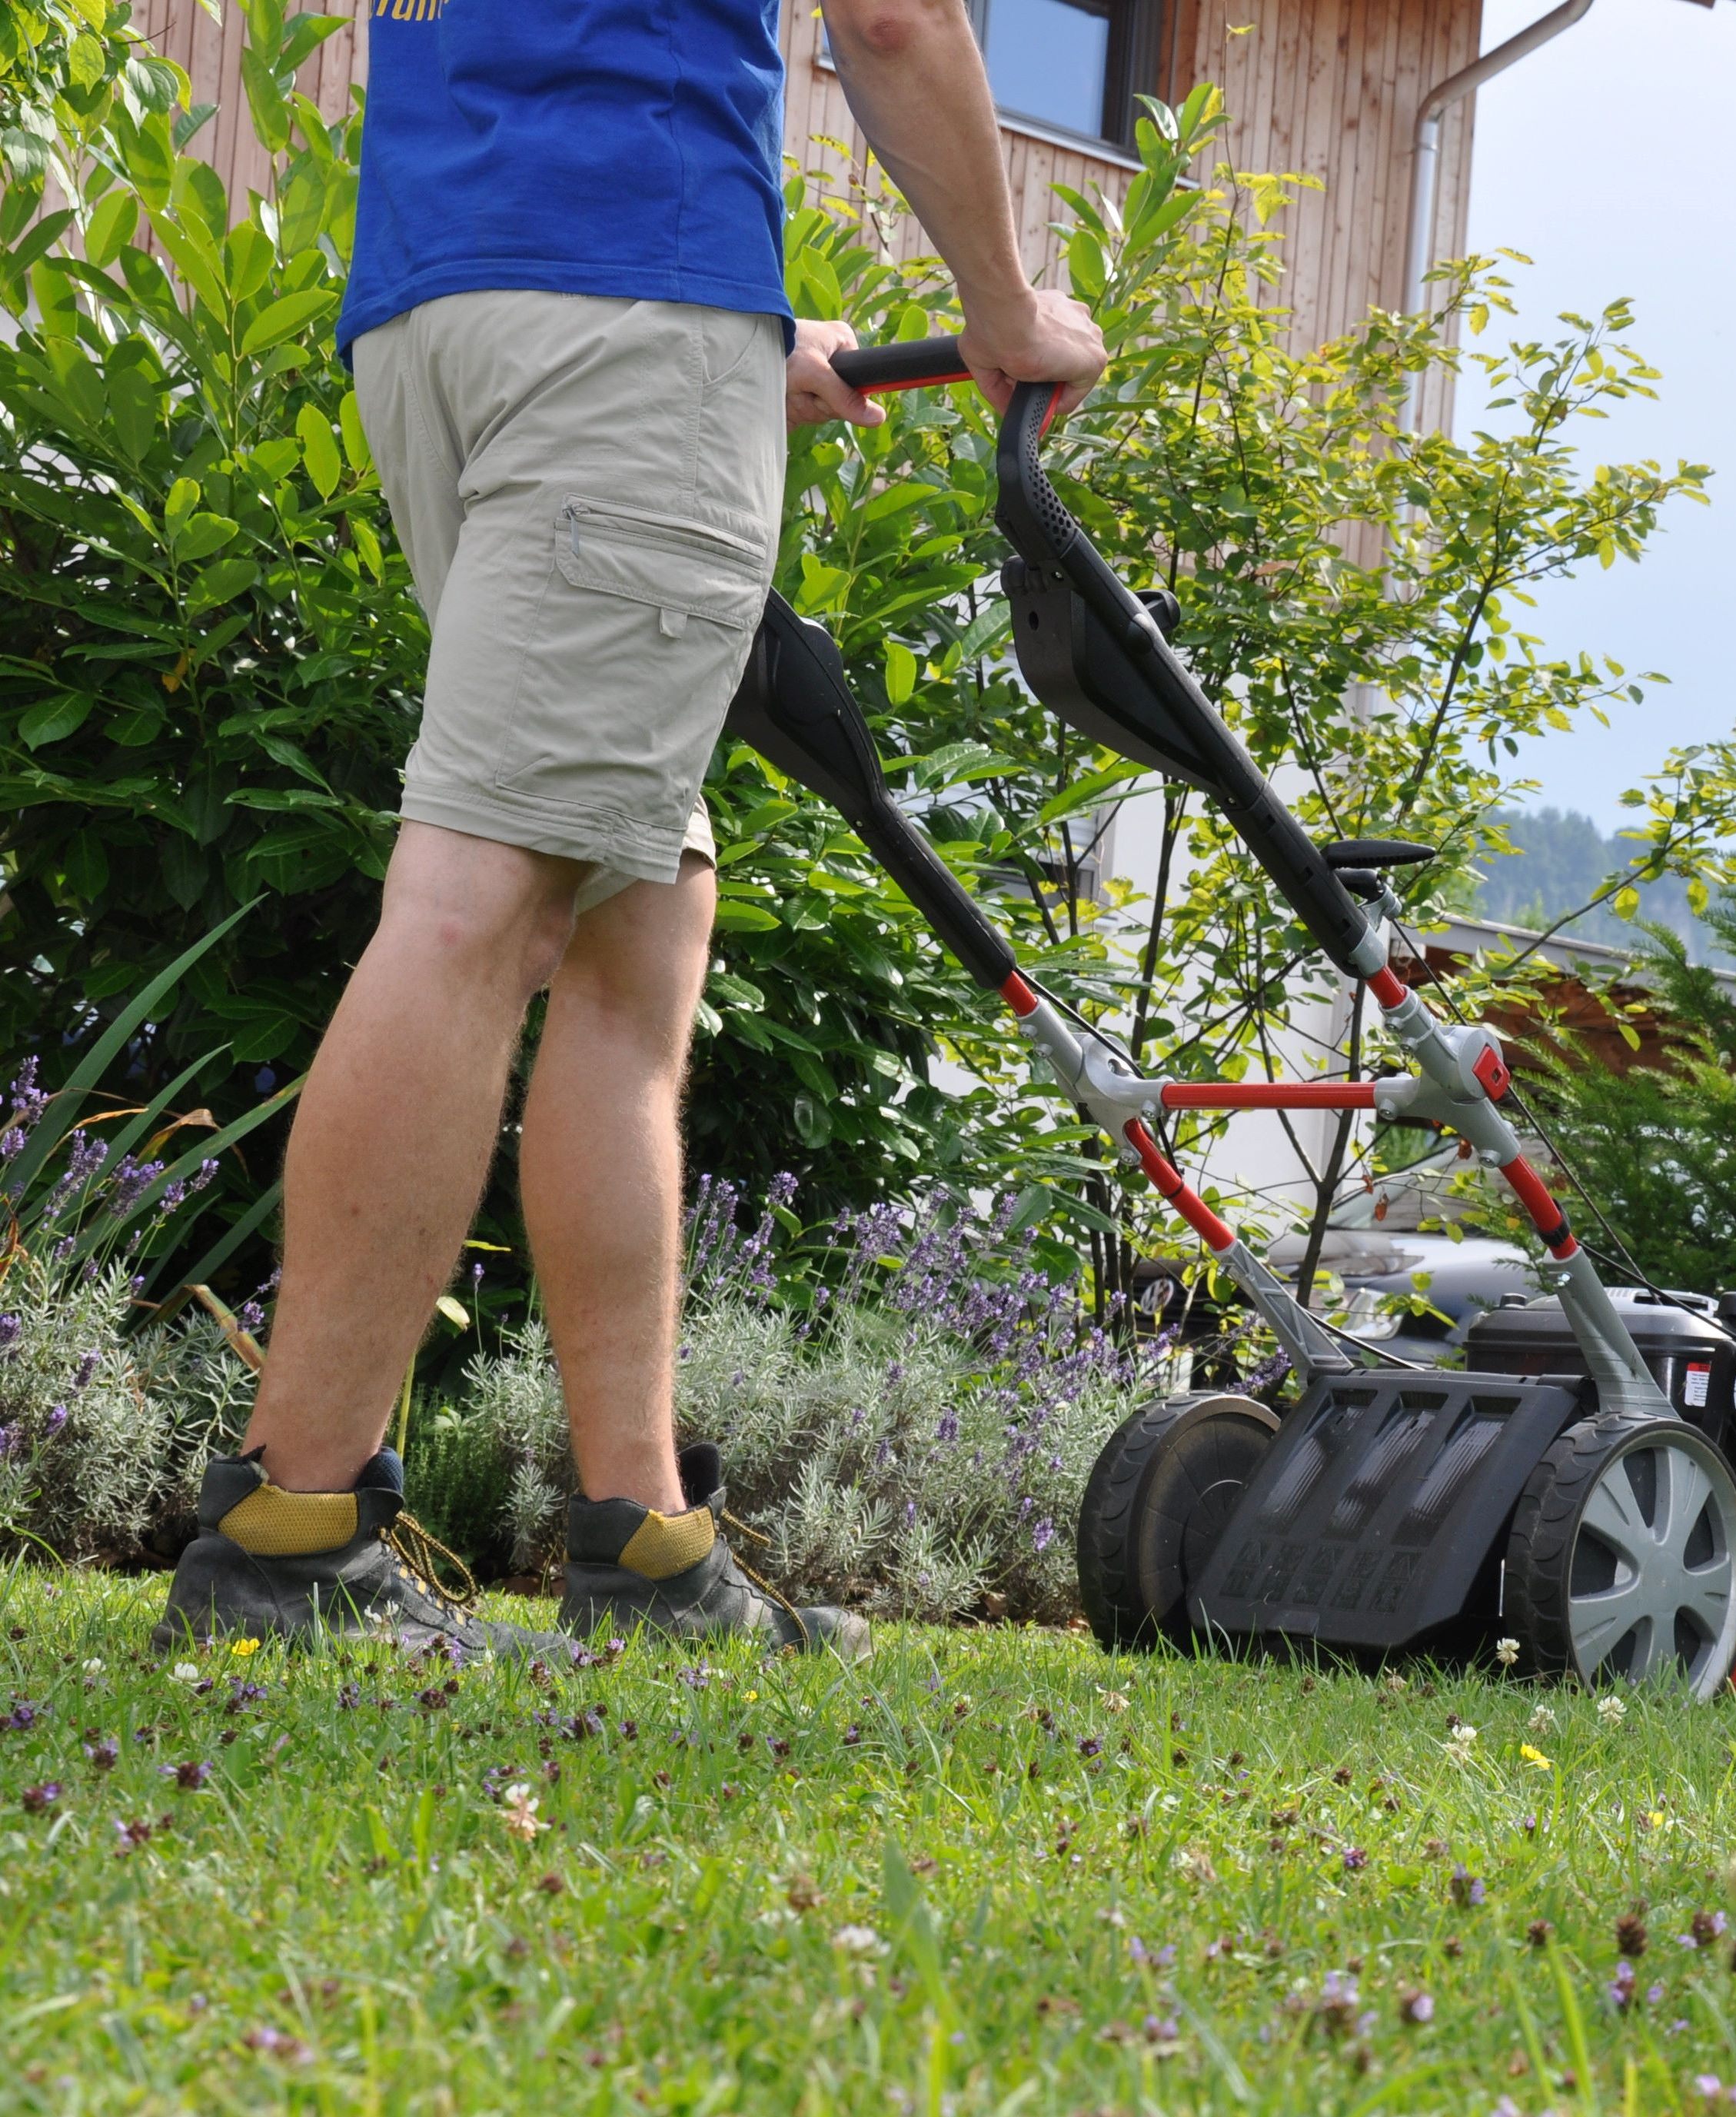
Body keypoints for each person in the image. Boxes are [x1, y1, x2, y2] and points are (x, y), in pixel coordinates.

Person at [154, 0, 1106, 1659]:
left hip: (450, 300)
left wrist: (738, 331)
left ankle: (644, 1543)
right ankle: (291, 1533)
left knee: (635, 912)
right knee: (486, 896)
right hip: (620, 312)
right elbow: (889, 19)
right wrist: (1004, 309)